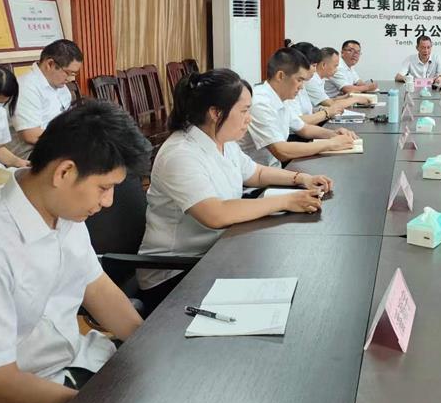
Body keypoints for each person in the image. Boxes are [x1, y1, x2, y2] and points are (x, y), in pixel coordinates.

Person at [0, 100, 152, 403]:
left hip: (80, 362)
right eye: (104, 187)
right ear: (64, 172)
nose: (108, 201)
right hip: (28, 400)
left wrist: (153, 351)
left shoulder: (64, 210)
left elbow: (97, 289)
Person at [138, 69, 332, 298]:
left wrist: (301, 179)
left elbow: (256, 173)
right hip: (175, 272)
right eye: (244, 111)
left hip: (219, 248)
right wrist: (287, 201)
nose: (249, 118)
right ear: (215, 113)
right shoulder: (180, 154)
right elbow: (216, 214)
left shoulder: (223, 140)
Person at [241, 48, 358, 167]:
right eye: (299, 80)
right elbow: (281, 151)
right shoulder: (260, 102)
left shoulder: (281, 97)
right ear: (280, 76)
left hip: (273, 168)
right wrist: (330, 144)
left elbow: (303, 129)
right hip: (259, 174)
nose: (301, 87)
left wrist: (334, 134)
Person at [9, 39, 83, 158]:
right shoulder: (26, 86)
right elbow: (31, 135)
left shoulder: (61, 87)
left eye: (74, 74)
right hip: (32, 151)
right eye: (68, 73)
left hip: (57, 144)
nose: (69, 79)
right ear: (50, 64)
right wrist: (71, 141)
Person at [306, 46, 369, 115]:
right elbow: (332, 104)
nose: (336, 70)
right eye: (335, 66)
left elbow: (325, 100)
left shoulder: (320, 79)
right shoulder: (312, 80)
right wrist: (356, 99)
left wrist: (345, 97)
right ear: (323, 65)